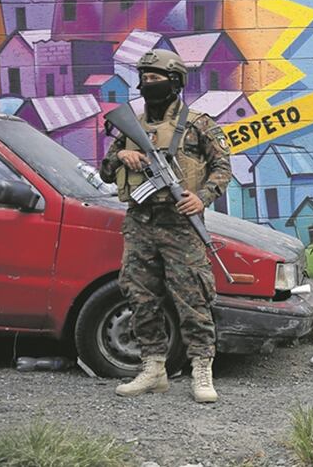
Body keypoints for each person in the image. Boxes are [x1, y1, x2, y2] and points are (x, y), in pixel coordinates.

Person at [99, 49, 232, 403]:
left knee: (193, 298)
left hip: (181, 224)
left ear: (174, 82)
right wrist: (121, 155)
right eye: (143, 78)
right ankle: (153, 368)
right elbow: (106, 171)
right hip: (141, 222)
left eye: (155, 78)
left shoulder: (199, 124)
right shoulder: (132, 125)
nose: (147, 84)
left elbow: (223, 168)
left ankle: (202, 369)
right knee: (140, 295)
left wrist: (202, 196)